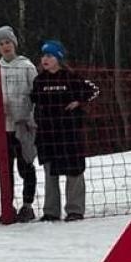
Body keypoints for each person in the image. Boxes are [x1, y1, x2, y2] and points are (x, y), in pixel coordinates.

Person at [31, 40, 99, 222]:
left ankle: (75, 209)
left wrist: (79, 101)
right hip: (48, 135)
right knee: (50, 173)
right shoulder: (39, 81)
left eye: (50, 55)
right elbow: (33, 102)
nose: (45, 59)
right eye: (44, 55)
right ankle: (51, 211)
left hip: (70, 134)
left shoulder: (72, 77)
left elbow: (93, 90)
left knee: (74, 171)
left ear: (58, 58)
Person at [0, 25, 40, 223]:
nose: (5, 46)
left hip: (24, 125)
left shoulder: (26, 66)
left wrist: (32, 119)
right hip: (4, 128)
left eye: (8, 42)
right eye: (1, 44)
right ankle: (7, 206)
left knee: (26, 165)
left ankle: (27, 205)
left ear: (14, 44)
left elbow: (36, 94)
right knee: (6, 168)